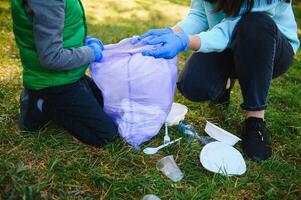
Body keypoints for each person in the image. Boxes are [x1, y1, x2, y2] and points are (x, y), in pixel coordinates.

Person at [135, 0, 300, 161]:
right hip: (227, 40)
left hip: (268, 47)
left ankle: (255, 119)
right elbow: (200, 15)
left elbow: (236, 28)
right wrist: (172, 33)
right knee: (194, 85)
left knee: (256, 24)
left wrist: (185, 41)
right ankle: (227, 83)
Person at [11, 0, 117, 147]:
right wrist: (90, 52)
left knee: (108, 104)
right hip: (53, 82)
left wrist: (83, 41)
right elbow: (51, 58)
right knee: (105, 134)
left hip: (69, 74)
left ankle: (49, 100)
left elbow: (60, 28)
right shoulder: (48, 2)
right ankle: (41, 103)